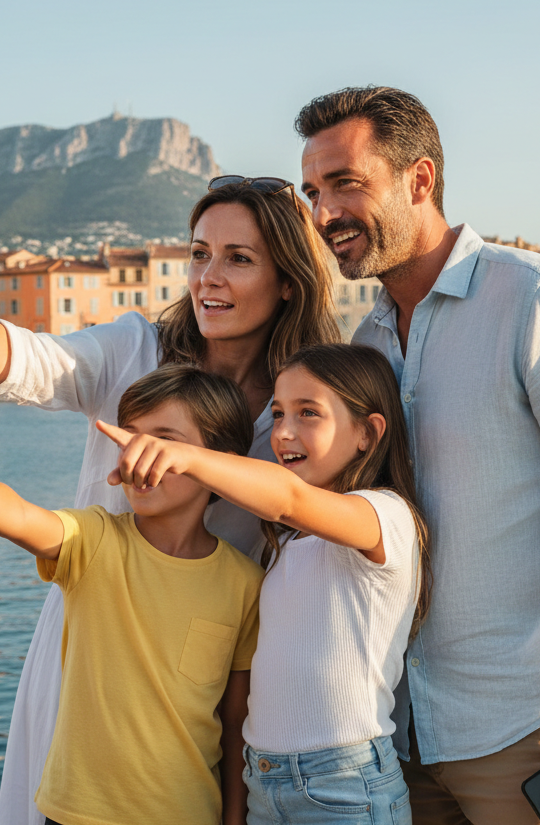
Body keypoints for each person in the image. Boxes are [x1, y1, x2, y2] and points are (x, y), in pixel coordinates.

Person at [0, 177, 340, 825]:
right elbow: (35, 361)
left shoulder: (301, 405)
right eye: (199, 253)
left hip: (216, 661)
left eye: (239, 258)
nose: (209, 277)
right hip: (95, 658)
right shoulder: (136, 350)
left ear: (288, 279)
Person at [294, 86, 540, 825]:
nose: (324, 212)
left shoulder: (536, 299)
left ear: (420, 180)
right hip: (398, 737)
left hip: (525, 731)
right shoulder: (366, 344)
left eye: (345, 184)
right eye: (312, 190)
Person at [0, 364, 265, 825]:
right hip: (74, 816)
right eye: (129, 438)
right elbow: (16, 512)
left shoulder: (245, 584)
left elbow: (235, 727)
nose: (137, 457)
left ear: (221, 461)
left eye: (163, 442)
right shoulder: (94, 541)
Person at [98, 342, 430, 825]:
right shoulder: (289, 545)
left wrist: (185, 456)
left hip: (343, 788)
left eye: (308, 413)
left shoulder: (386, 517)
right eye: (277, 414)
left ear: (367, 432)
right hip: (265, 782)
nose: (285, 432)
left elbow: (287, 499)